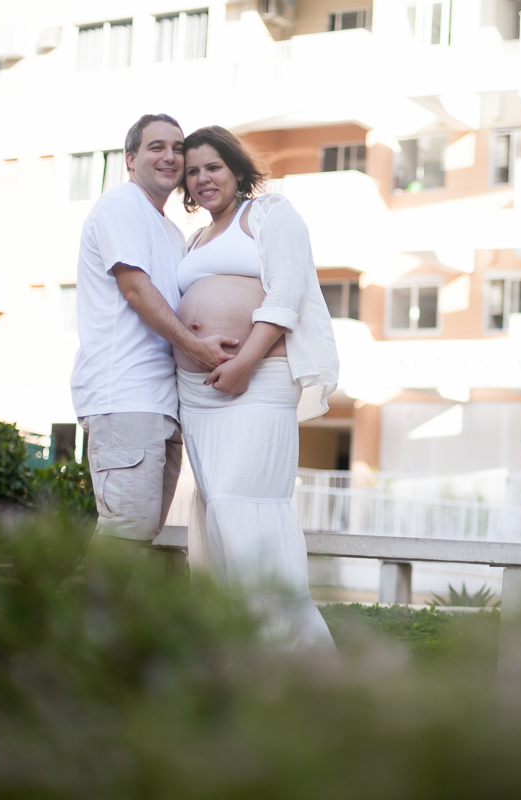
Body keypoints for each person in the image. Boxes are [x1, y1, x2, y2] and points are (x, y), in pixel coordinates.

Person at [175, 125, 338, 655]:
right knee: (216, 513)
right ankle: (228, 647)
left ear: (237, 169)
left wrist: (243, 362)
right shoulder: (195, 238)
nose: (202, 179)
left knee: (240, 504)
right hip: (199, 393)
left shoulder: (269, 214)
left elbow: (287, 292)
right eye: (192, 170)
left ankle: (289, 653)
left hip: (259, 380)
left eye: (212, 167)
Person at [71, 114, 237, 571]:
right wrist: (200, 348)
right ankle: (64, 634)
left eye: (177, 148)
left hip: (161, 402)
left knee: (139, 531)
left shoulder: (169, 231)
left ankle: (102, 634)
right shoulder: (120, 206)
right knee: (125, 530)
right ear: (130, 159)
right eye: (156, 147)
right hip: (124, 395)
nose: (170, 157)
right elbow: (136, 290)